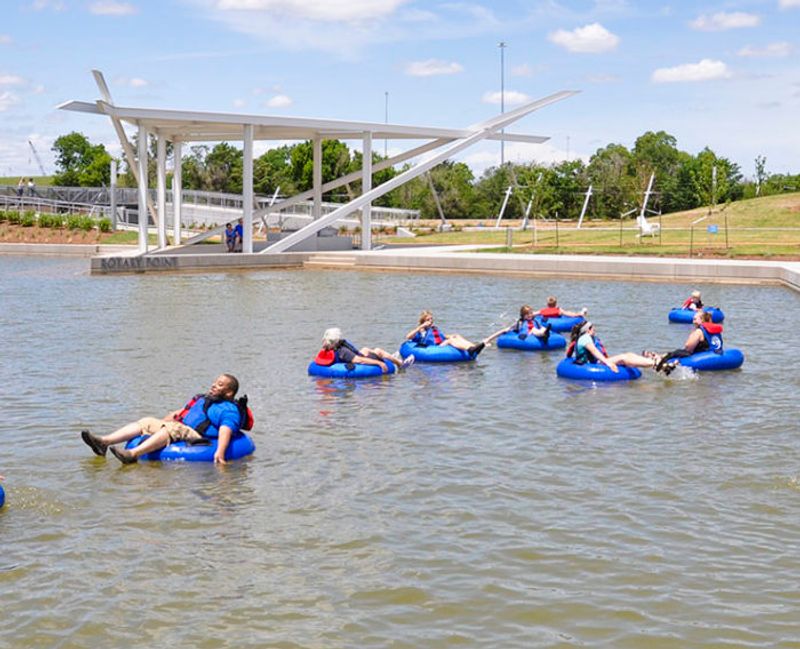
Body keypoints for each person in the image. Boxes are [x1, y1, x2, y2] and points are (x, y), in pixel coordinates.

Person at [80, 373, 245, 465]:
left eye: (220, 384)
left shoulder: (227, 409)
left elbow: (225, 429)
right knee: (146, 421)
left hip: (200, 437)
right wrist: (160, 425)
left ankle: (133, 454)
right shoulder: (204, 399)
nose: (214, 385)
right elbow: (180, 413)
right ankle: (104, 442)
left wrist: (220, 452)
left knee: (173, 428)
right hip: (183, 428)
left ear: (229, 392)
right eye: (215, 382)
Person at [567, 321, 674, 374]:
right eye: (593, 328)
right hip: (590, 365)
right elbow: (594, 351)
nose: (595, 330)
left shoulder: (585, 337)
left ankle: (660, 365)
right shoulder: (585, 338)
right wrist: (608, 363)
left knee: (629, 354)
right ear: (588, 330)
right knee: (623, 358)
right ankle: (655, 363)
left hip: (596, 362)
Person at [648, 311, 723, 371]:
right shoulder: (715, 330)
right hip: (715, 353)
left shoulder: (698, 331)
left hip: (701, 355)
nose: (693, 322)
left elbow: (688, 348)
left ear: (702, 320)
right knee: (677, 352)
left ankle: (659, 359)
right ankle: (660, 355)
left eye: (695, 319)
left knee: (677, 352)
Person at [315, 328, 413, 373]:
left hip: (347, 358)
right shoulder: (343, 351)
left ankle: (390, 357)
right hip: (356, 362)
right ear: (336, 340)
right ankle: (400, 364)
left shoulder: (327, 348)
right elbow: (359, 360)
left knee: (365, 349)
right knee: (378, 351)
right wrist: (380, 363)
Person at [405, 310, 496, 356]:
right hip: (432, 348)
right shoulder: (421, 330)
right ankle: (470, 350)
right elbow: (408, 337)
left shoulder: (433, 329)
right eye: (428, 320)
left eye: (431, 319)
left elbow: (440, 337)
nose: (431, 321)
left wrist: (452, 336)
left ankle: (474, 347)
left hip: (440, 345)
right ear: (423, 321)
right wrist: (421, 327)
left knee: (456, 336)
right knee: (450, 341)